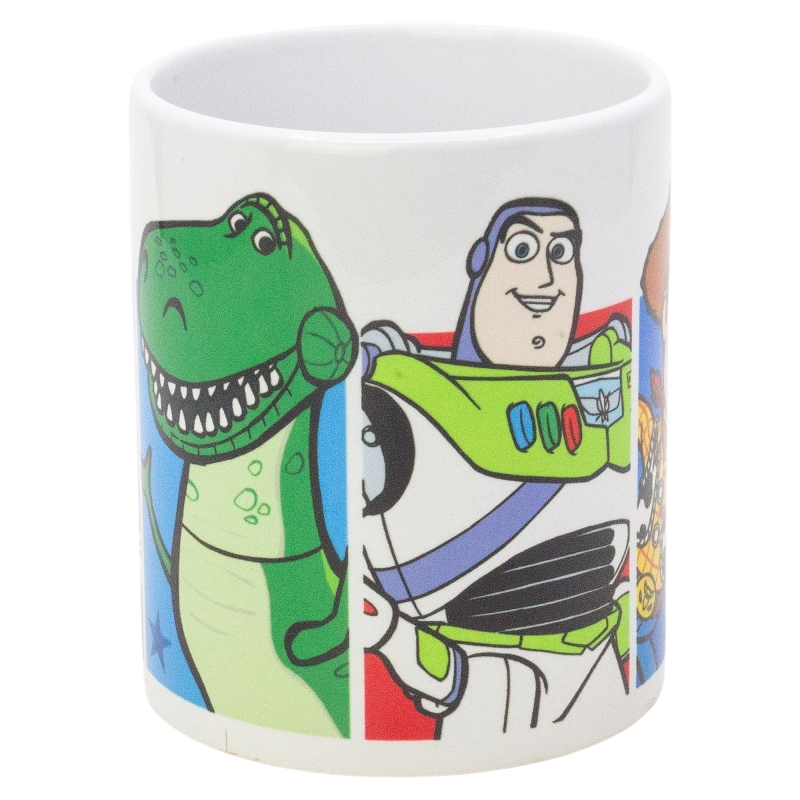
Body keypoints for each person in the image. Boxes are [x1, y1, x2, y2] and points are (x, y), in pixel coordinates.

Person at [361, 199, 632, 738]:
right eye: (523, 249)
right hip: (497, 673)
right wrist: (391, 635)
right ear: (482, 262)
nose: (546, 278)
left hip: (600, 654)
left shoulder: (606, 373)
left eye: (562, 252)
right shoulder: (398, 403)